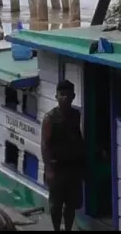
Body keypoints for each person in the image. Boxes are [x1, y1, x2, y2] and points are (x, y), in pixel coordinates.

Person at [41, 80, 85, 231]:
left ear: (73, 96)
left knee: (71, 204)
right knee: (56, 205)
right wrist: (49, 169)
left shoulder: (75, 115)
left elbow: (78, 139)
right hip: (56, 167)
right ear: (56, 96)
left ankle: (68, 229)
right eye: (62, 95)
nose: (65, 98)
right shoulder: (50, 118)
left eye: (68, 95)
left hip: (72, 167)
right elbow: (45, 145)